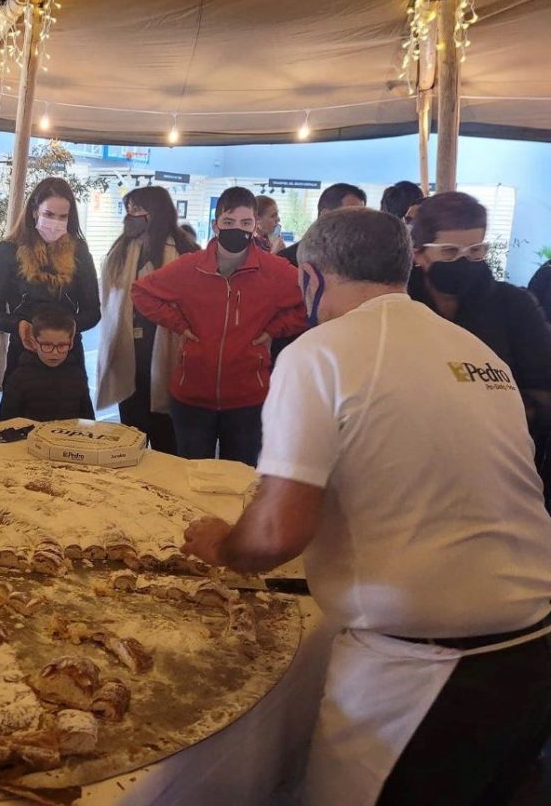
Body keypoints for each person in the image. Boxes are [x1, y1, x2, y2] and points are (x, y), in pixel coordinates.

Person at [180, 207, 551, 806]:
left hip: (428, 673)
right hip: (532, 648)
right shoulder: (474, 352)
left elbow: (277, 532)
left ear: (312, 275)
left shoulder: (321, 351)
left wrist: (222, 544)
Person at [131, 186, 306, 465]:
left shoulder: (275, 271)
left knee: (238, 481)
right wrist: (178, 324)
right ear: (215, 225)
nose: (238, 229)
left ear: (255, 225)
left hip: (248, 399)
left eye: (246, 223)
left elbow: (310, 300)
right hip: (192, 398)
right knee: (191, 479)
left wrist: (274, 328)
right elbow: (141, 292)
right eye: (229, 222)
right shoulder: (190, 268)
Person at [407, 191, 551, 505]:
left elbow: (543, 388)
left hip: (497, 468)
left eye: (475, 250)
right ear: (418, 254)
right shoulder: (399, 307)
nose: (464, 260)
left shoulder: (515, 305)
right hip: (409, 463)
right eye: (449, 252)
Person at [96, 185, 198, 453]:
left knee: (168, 438)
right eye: (129, 208)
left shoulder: (185, 251)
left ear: (157, 212)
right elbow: (108, 295)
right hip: (128, 352)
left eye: (138, 208)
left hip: (169, 352)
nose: (131, 214)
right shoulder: (120, 249)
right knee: (131, 436)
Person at [0, 177, 100, 379]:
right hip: (24, 354)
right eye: (48, 214)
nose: (55, 223)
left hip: (68, 354)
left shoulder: (79, 250)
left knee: (73, 409)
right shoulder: (8, 250)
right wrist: (19, 326)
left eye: (63, 216)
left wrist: (69, 328)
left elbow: (93, 311)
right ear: (34, 211)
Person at [0, 305, 94, 423]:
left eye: (62, 346)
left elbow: (89, 422)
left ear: (71, 342)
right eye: (47, 345)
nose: (54, 352)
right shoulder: (19, 379)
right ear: (34, 343)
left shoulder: (77, 376)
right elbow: (4, 424)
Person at [278, 182, 366, 266]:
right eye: (352, 215)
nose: (359, 223)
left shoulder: (363, 260)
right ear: (326, 215)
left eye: (362, 216)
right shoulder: (287, 260)